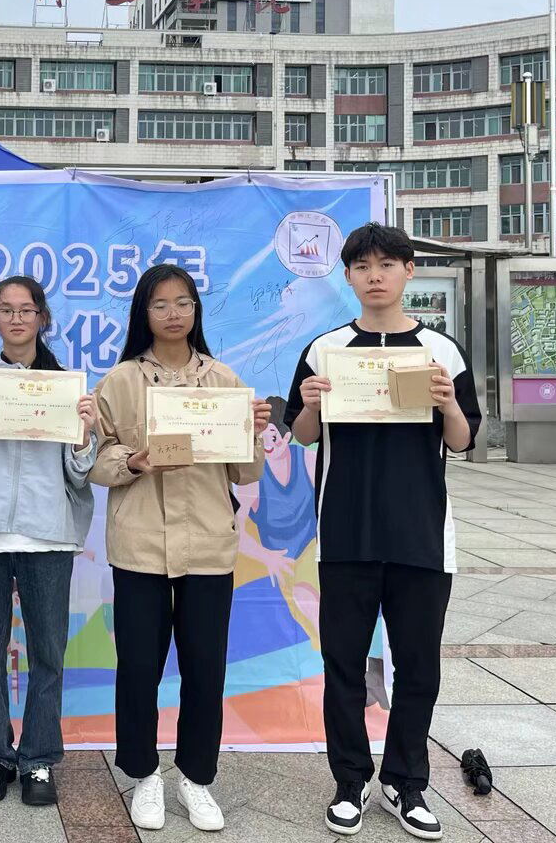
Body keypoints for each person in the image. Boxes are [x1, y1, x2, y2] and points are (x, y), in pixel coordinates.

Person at [286, 223, 481, 841]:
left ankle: (405, 782)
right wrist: (310, 403)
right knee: (342, 664)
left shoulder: (441, 351)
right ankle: (350, 781)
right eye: (363, 266)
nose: (375, 276)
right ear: (347, 276)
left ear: (408, 270)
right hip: (345, 532)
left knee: (418, 667)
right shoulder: (326, 349)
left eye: (387, 264)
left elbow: (463, 440)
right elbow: (302, 436)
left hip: (422, 534)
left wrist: (447, 403)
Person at [90, 264, 270, 833]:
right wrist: (135, 460)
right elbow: (95, 461)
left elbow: (245, 473)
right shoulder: (120, 381)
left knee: (205, 668)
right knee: (138, 667)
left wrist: (252, 431)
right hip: (140, 545)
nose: (174, 314)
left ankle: (196, 777)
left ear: (196, 310)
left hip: (208, 545)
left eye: (184, 303)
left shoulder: (223, 379)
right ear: (143, 313)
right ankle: (143, 775)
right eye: (161, 304)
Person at [0, 275, 97, 806]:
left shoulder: (66, 388)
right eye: (5, 310)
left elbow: (79, 473)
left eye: (26, 310)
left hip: (48, 533)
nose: (16, 318)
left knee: (48, 653)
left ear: (42, 318)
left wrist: (84, 435)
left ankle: (38, 760)